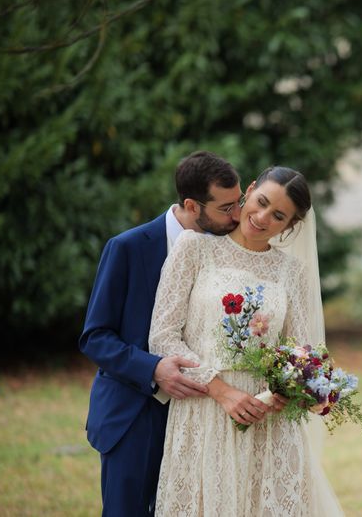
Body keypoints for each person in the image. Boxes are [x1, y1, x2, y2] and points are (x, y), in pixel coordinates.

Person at [149, 166, 343, 516]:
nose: (263, 217)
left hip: (267, 422)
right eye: (262, 201)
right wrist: (220, 390)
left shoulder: (291, 272)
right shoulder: (194, 249)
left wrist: (288, 390)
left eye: (279, 215)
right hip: (204, 413)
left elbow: (300, 350)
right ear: (249, 190)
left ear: (290, 226)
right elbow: (163, 336)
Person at [79, 151, 248, 517]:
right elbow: (95, 336)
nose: (237, 216)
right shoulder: (127, 247)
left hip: (201, 420)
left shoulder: (229, 250)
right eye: (226, 208)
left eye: (240, 203)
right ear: (191, 205)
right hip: (134, 416)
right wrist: (154, 369)